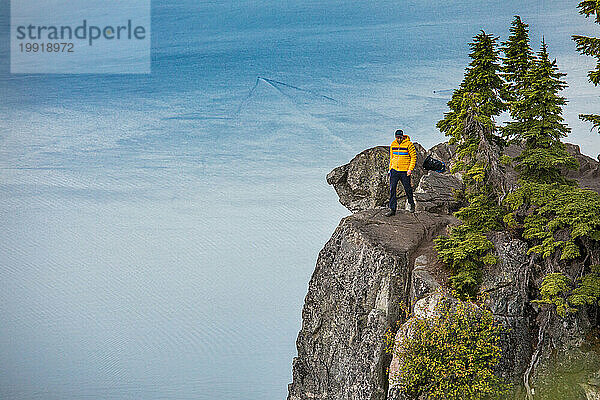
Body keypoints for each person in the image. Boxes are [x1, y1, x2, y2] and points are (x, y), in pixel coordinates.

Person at [385, 129, 416, 216]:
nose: (399, 139)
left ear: (403, 136)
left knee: (407, 189)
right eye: (397, 137)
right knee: (392, 189)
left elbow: (413, 157)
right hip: (394, 170)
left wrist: (410, 169)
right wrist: (390, 168)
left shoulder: (409, 144)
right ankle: (392, 209)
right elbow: (392, 157)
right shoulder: (393, 144)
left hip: (404, 171)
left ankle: (411, 203)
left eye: (400, 137)